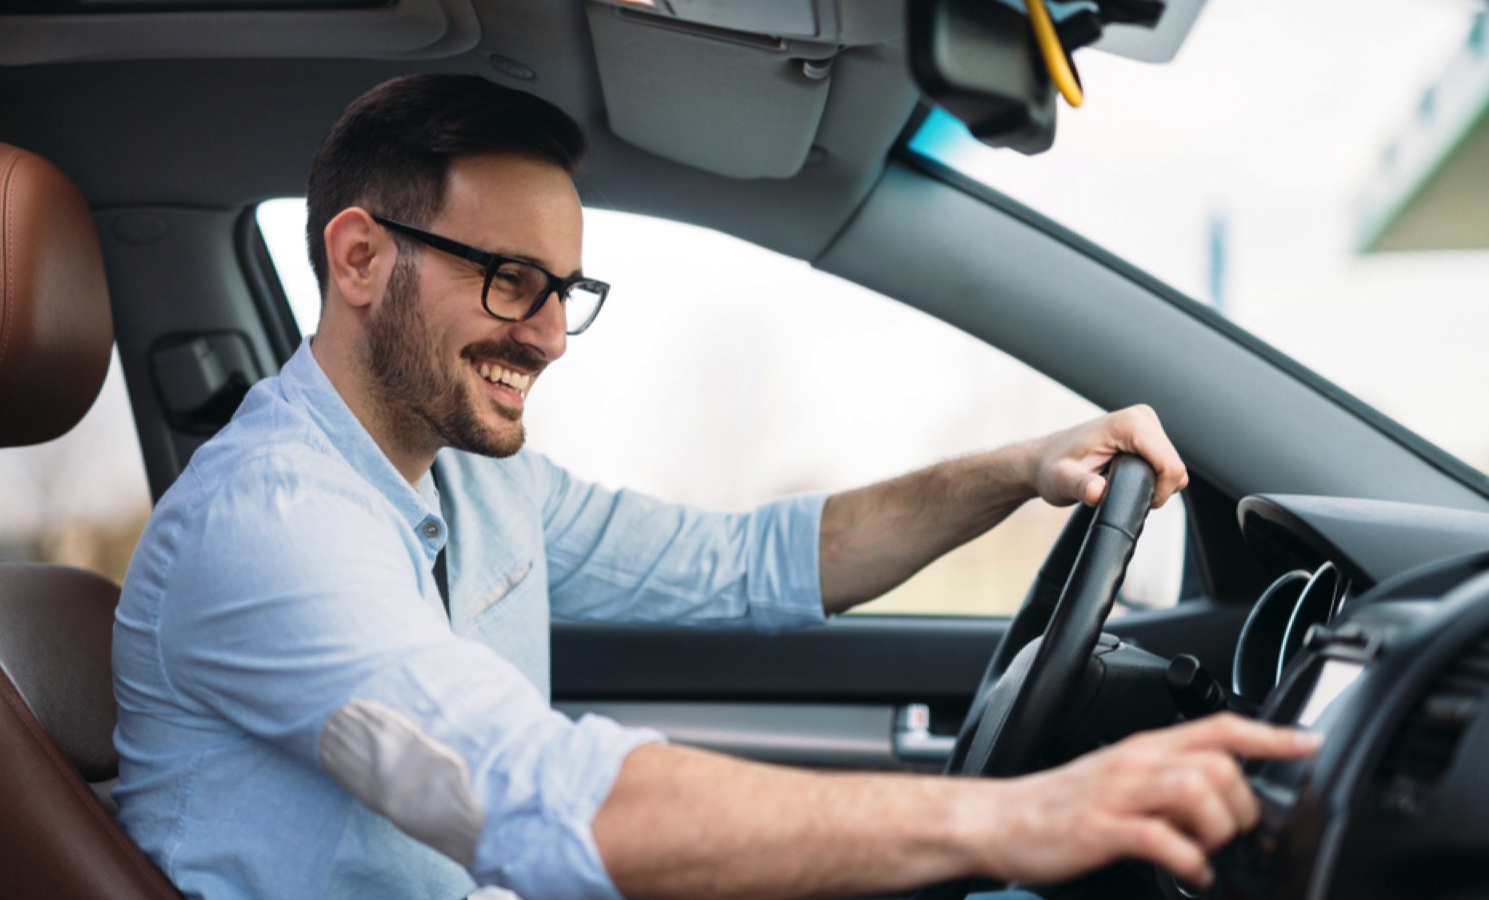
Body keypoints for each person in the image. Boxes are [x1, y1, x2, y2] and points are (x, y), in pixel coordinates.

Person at [111, 74, 1317, 900]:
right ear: (361, 258)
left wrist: (1015, 472)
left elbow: (752, 565)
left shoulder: (475, 483)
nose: (549, 340)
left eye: (566, 293)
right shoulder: (266, 529)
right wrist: (1025, 818)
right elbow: (536, 799)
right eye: (510, 281)